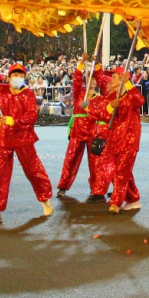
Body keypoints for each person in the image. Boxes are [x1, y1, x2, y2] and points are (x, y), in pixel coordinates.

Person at [0, 54, 53, 224]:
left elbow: (31, 116)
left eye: (21, 75)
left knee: (33, 170)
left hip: (23, 138)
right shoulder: (1, 90)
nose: (18, 78)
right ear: (8, 77)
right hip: (3, 139)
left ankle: (45, 199)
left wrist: (13, 121)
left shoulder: (28, 94)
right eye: (15, 75)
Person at [57, 54, 105, 197]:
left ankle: (96, 189)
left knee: (95, 161)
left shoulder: (98, 97)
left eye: (94, 79)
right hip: (78, 129)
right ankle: (63, 187)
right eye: (90, 79)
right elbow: (76, 80)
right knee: (71, 158)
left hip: (93, 130)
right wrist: (81, 64)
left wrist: (96, 65)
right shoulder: (79, 92)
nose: (93, 82)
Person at [99, 67, 145, 213]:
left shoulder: (131, 95)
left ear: (121, 79)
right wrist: (109, 108)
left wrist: (129, 83)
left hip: (129, 139)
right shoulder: (113, 97)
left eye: (114, 77)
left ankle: (115, 202)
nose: (110, 80)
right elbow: (102, 114)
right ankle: (133, 199)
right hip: (115, 139)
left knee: (121, 171)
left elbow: (140, 101)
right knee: (119, 171)